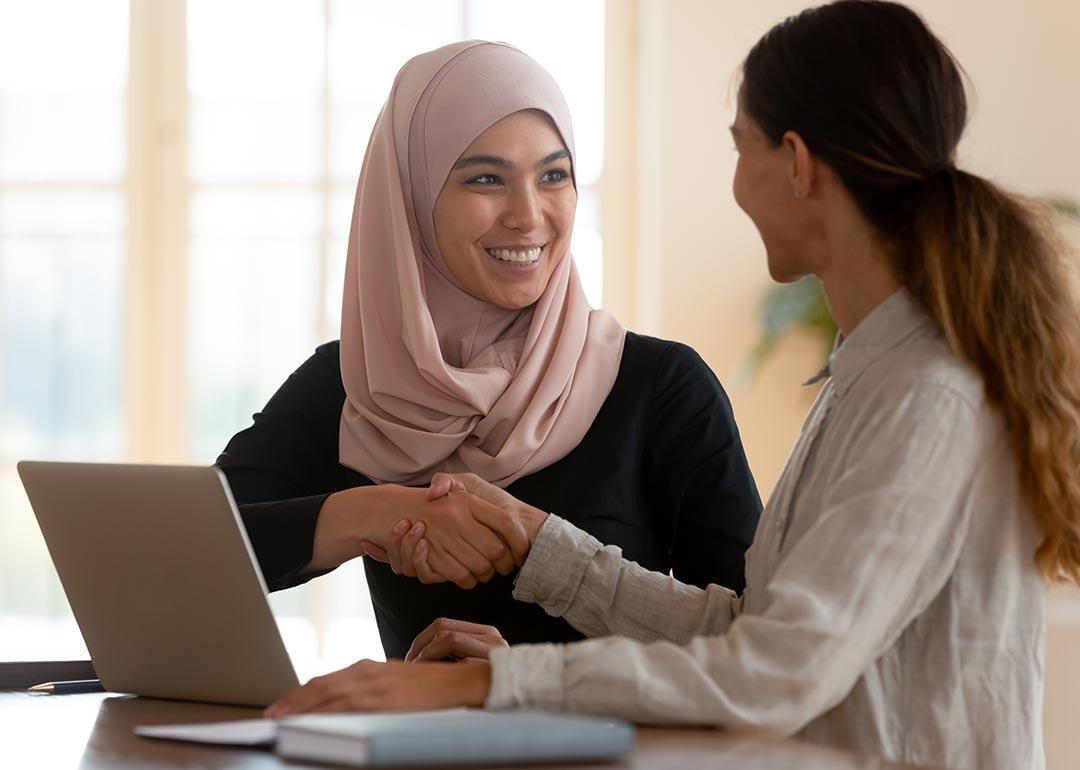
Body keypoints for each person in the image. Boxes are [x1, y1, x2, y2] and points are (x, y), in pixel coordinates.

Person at [264, 3, 1080, 769]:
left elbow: (775, 672)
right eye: (485, 180)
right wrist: (538, 543)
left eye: (739, 146)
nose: (529, 213)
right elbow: (748, 629)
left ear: (793, 164)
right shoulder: (870, 375)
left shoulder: (924, 395)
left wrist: (488, 685)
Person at [217, 41, 762, 660]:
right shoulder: (358, 384)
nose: (529, 216)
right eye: (486, 179)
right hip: (421, 755)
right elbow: (182, 547)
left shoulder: (662, 388)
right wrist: (374, 512)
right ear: (414, 202)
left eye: (554, 175)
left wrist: (521, 685)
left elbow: (757, 649)